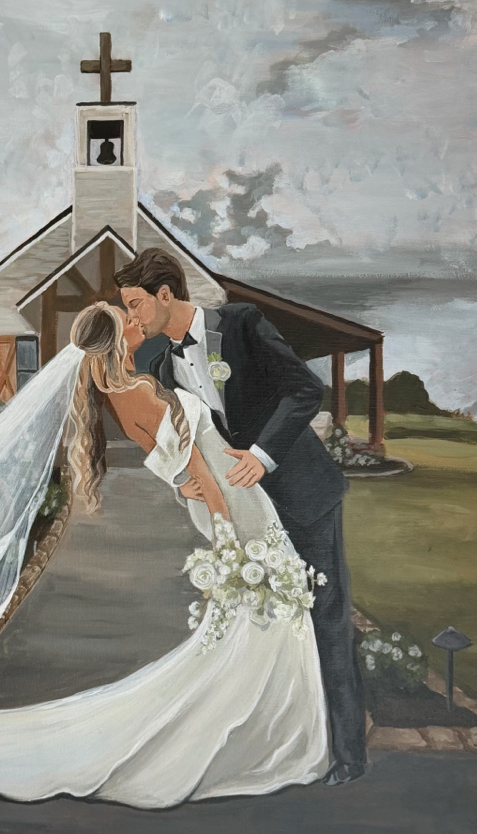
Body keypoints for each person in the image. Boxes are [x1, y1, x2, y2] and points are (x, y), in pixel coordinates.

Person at [0, 300, 329, 808]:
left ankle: (263, 719)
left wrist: (186, 488)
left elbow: (171, 467)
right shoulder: (136, 391)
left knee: (261, 613)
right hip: (233, 501)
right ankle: (262, 730)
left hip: (227, 492)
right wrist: (227, 538)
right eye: (126, 320)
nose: (137, 323)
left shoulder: (121, 392)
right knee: (264, 606)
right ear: (115, 341)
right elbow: (194, 466)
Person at [116, 247, 367, 783]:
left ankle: (346, 755)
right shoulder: (162, 367)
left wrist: (263, 455)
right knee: (270, 625)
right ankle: (290, 743)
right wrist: (188, 484)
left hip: (301, 493)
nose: (132, 318)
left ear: (166, 294)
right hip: (250, 514)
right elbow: (182, 442)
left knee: (326, 616)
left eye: (136, 305)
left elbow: (305, 390)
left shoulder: (243, 323)